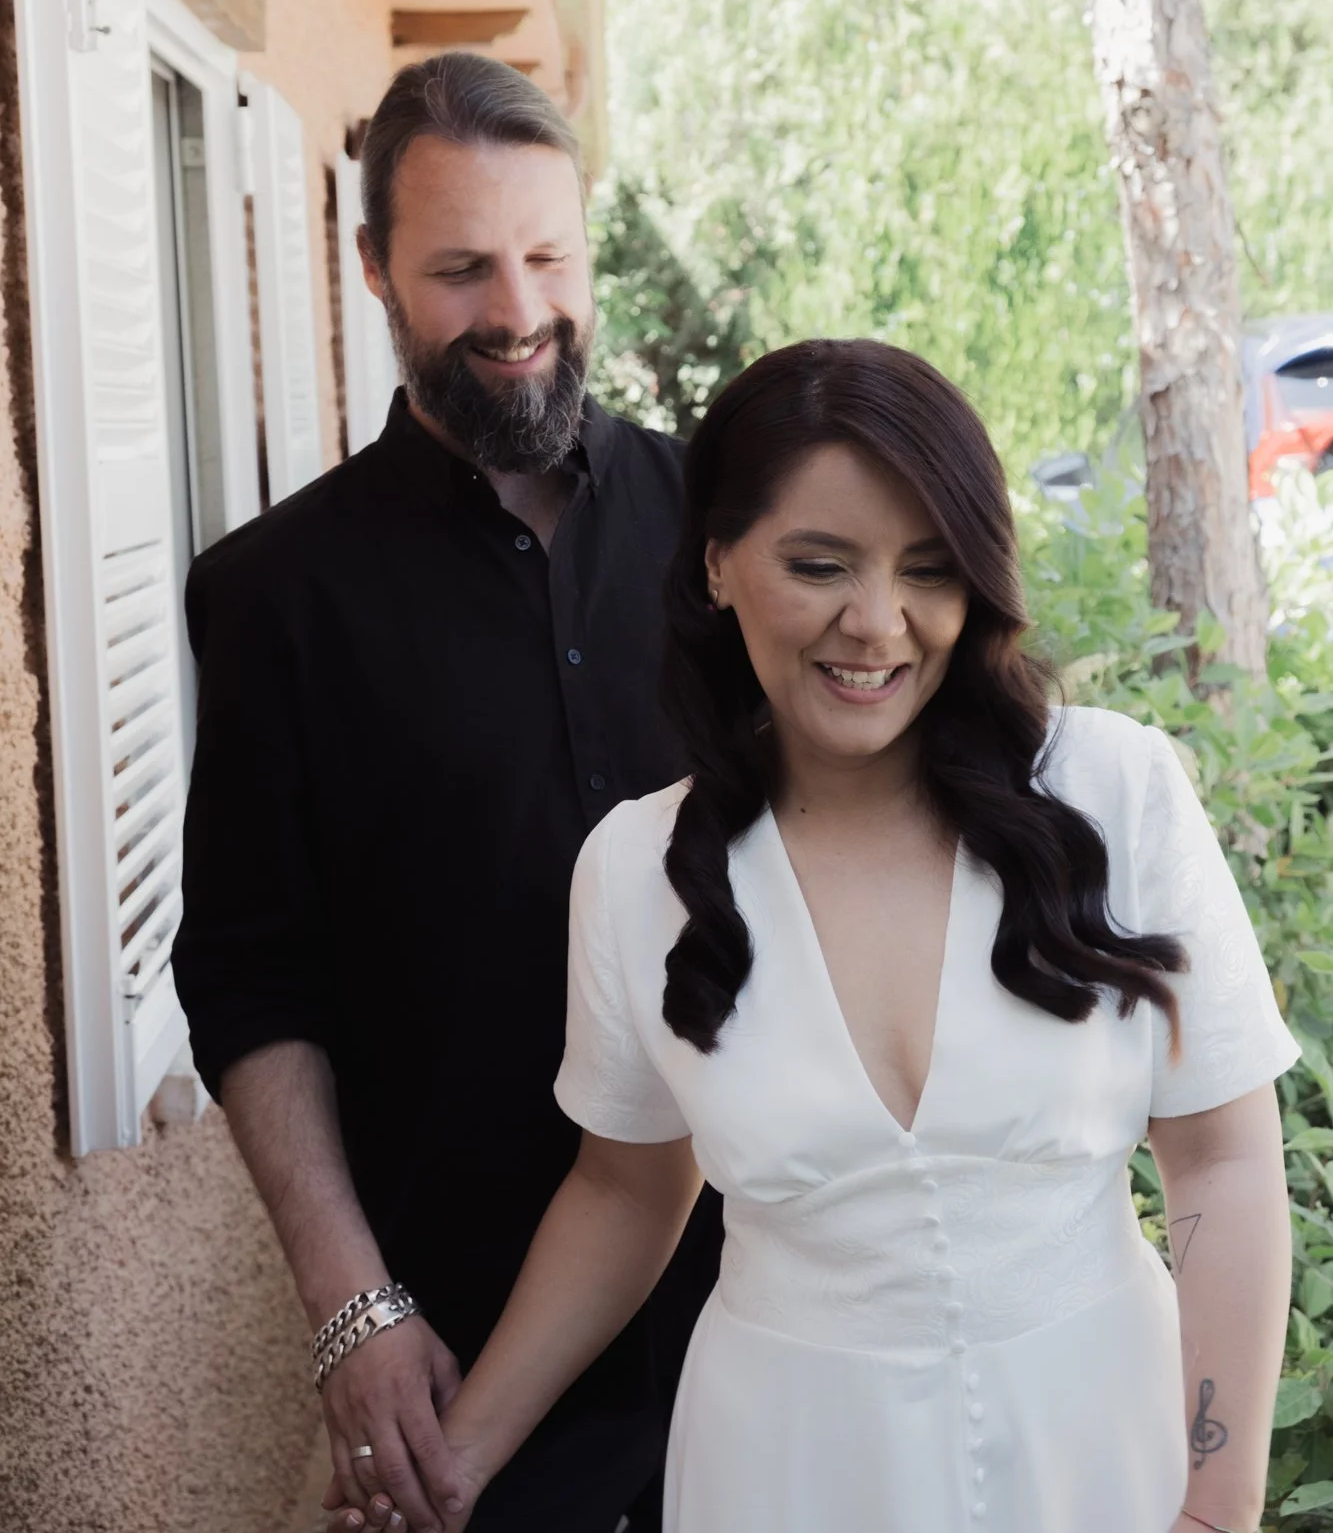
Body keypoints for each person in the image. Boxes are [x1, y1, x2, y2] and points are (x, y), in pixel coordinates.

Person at [369, 337, 1296, 1533]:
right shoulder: (634, 873)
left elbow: (1222, 1156)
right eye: (820, 565)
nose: (878, 623)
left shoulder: (1111, 791)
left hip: (1103, 1449)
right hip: (785, 1469)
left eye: (928, 567)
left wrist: (1216, 1510)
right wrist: (457, 1459)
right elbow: (623, 1188)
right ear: (715, 563)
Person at [172, 53, 721, 1533]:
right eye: (463, 269)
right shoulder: (272, 599)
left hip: (775, 1312)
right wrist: (351, 1307)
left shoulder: (726, 533)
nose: (519, 313)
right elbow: (246, 979)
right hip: (478, 1356)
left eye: (548, 256)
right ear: (371, 269)